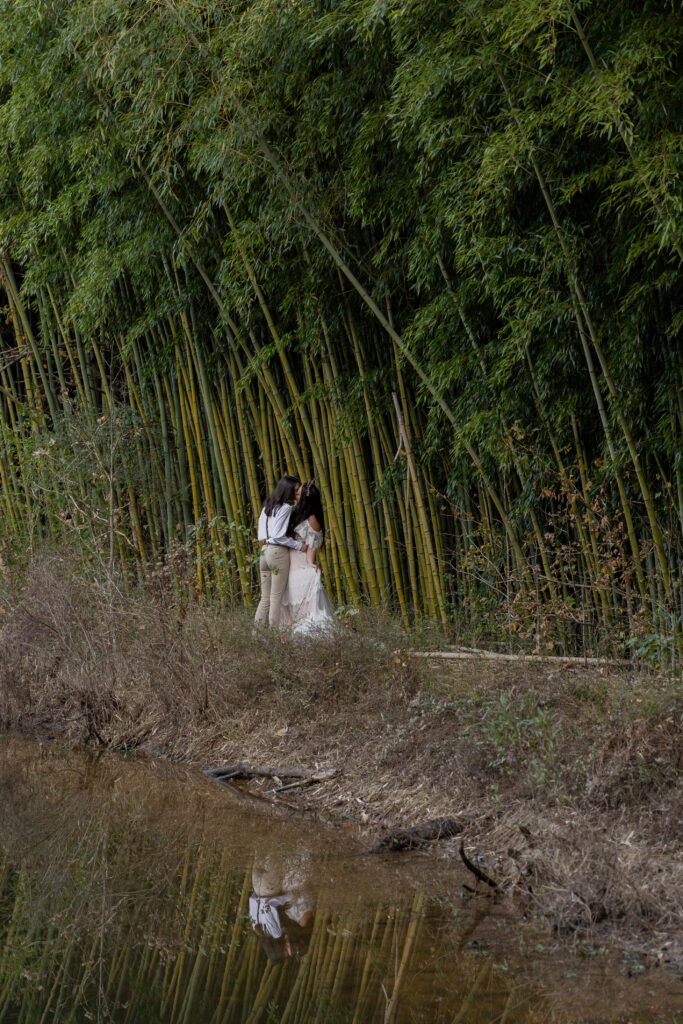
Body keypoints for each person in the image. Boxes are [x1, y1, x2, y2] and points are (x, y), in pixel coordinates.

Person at [279, 481, 335, 635]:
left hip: (300, 565)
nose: (295, 495)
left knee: (306, 615)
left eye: (298, 493)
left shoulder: (312, 519)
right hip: (288, 565)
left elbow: (312, 545)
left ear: (305, 498)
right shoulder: (294, 512)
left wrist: (310, 563)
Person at [255, 476, 308, 628]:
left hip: (264, 552)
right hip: (277, 553)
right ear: (288, 490)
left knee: (265, 597)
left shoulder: (267, 506)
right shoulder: (284, 508)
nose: (297, 492)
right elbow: (278, 536)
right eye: (296, 489)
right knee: (275, 597)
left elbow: (264, 533)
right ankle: (274, 635)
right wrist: (298, 545)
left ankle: (256, 633)